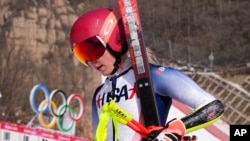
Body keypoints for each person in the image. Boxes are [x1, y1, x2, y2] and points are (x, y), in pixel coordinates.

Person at [69, 8, 224, 141]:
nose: (91, 61)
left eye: (93, 50)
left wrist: (174, 131)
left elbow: (213, 107)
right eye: (83, 55)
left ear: (115, 40)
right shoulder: (99, 95)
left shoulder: (154, 76)